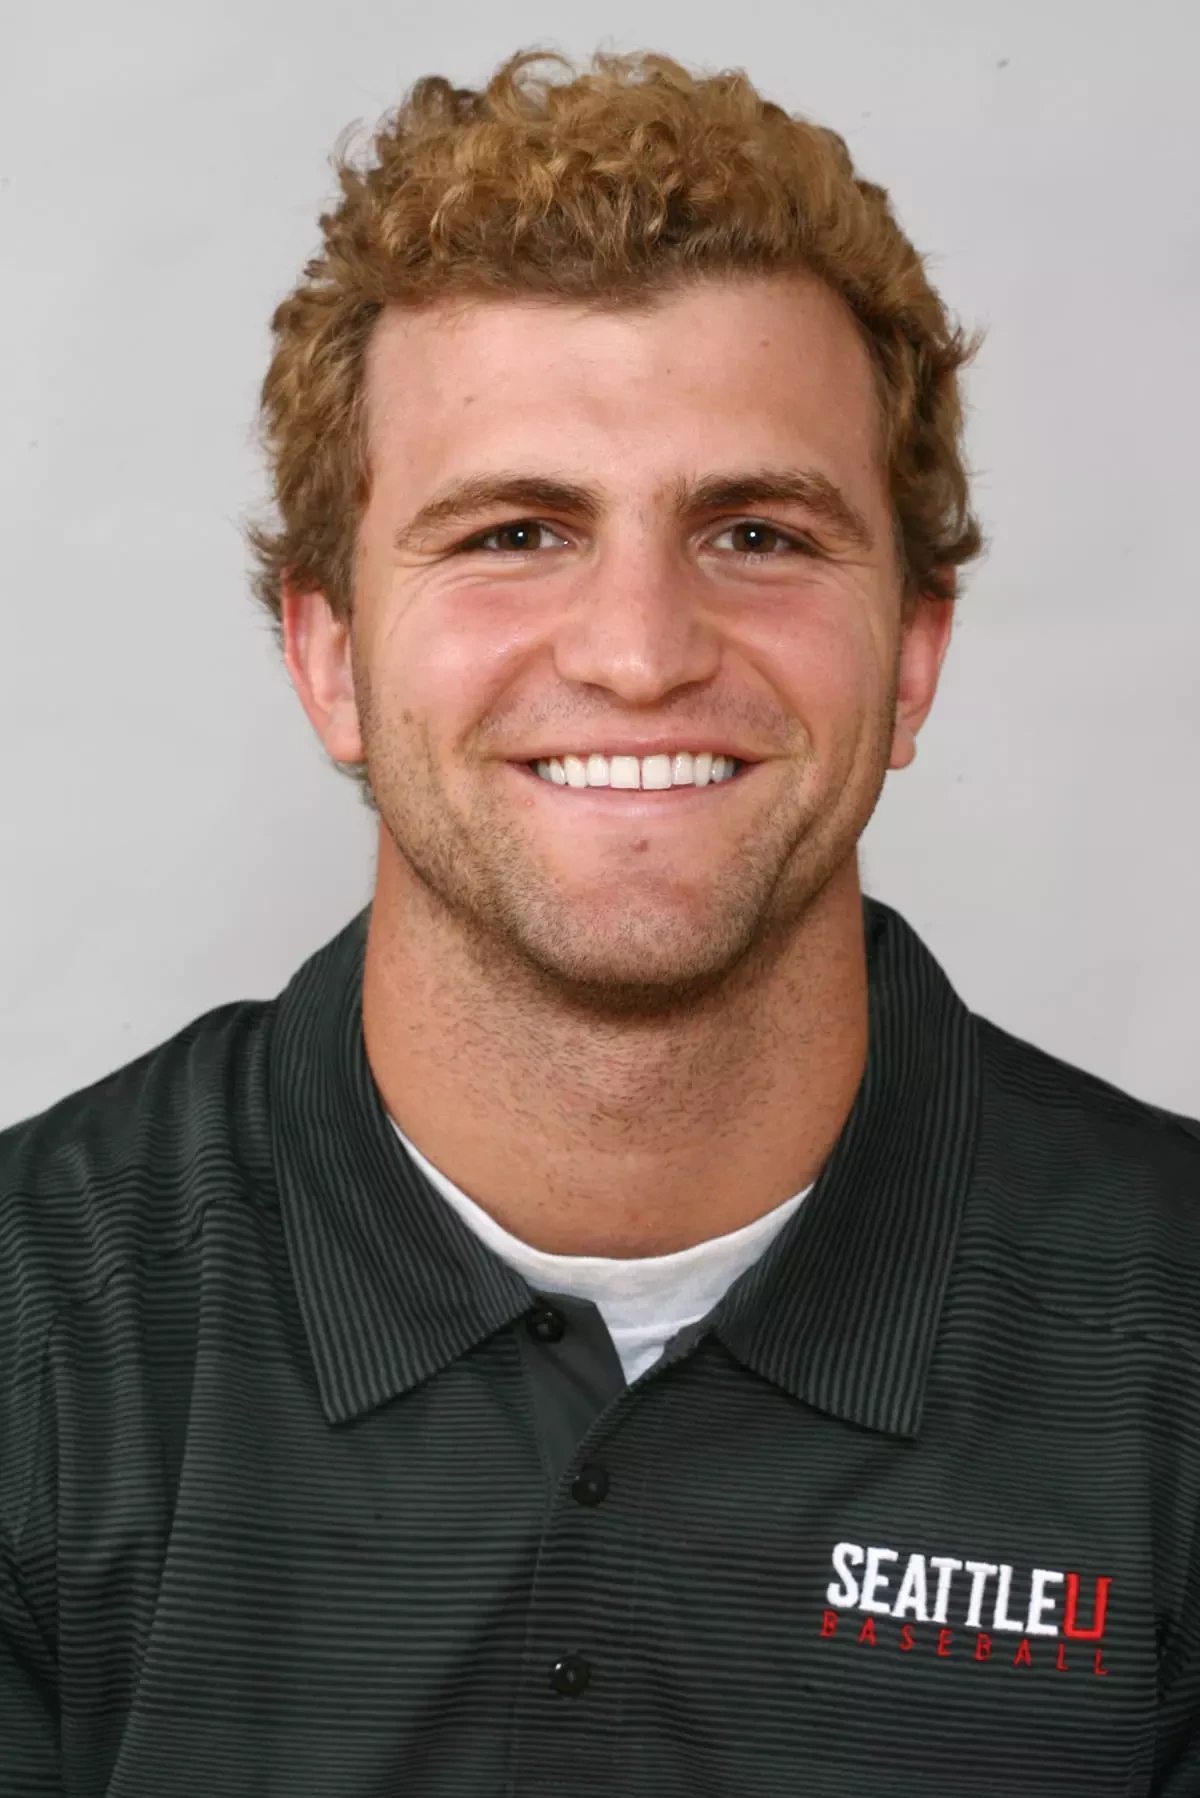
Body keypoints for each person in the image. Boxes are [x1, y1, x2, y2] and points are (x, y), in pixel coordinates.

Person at [2, 46, 1198, 1798]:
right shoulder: (33, 1328)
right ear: (329, 655)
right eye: (515, 532)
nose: (640, 651)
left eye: (759, 533)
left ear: (913, 652)